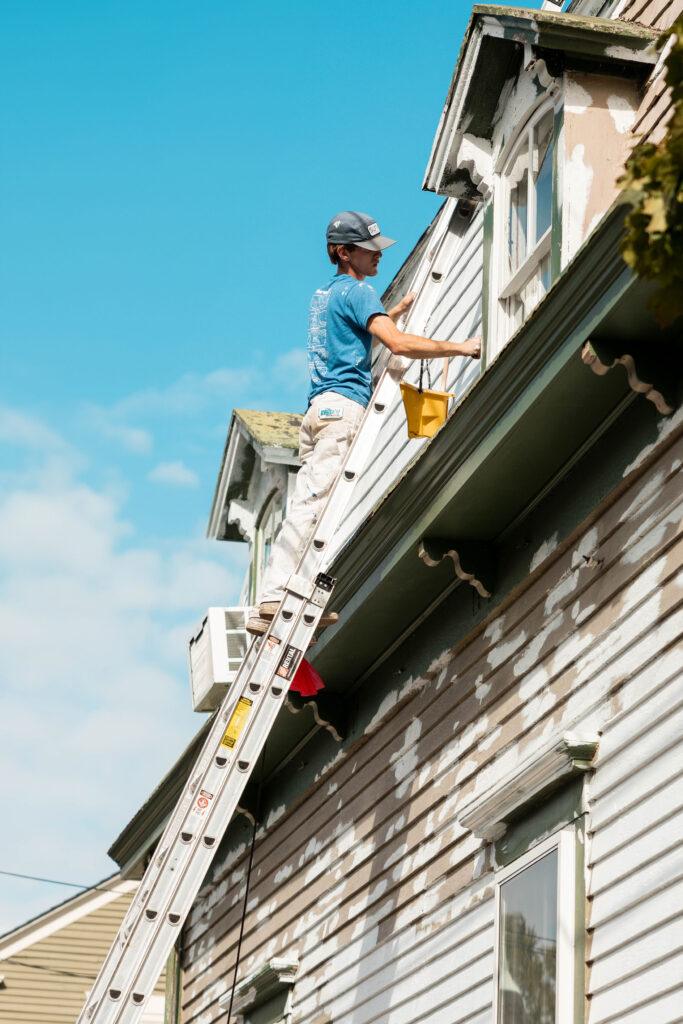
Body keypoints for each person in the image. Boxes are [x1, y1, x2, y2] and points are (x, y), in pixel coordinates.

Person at [246, 210, 481, 636]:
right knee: (315, 506)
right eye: (370, 250)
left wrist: (392, 309)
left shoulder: (326, 295)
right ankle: (276, 596)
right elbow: (397, 344)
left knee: (311, 503)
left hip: (319, 410)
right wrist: (460, 348)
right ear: (344, 251)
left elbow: (351, 336)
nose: (378, 257)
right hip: (342, 411)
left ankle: (288, 596)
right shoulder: (359, 293)